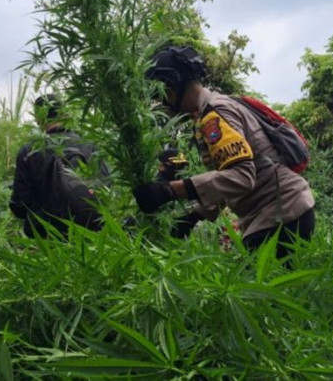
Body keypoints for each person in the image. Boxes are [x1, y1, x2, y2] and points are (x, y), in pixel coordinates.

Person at [133, 45, 315, 261]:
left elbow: (241, 177)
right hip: (285, 211)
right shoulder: (215, 109)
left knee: (252, 290)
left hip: (280, 213)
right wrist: (194, 216)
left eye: (162, 95)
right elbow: (229, 180)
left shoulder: (214, 115)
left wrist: (169, 191)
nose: (165, 103)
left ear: (171, 88)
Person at [9, 93, 109, 239]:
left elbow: (19, 204)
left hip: (47, 234)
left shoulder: (29, 152)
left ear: (38, 118)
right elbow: (106, 188)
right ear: (64, 115)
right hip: (91, 231)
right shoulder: (90, 146)